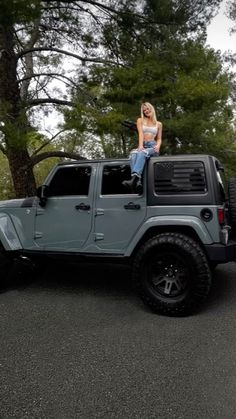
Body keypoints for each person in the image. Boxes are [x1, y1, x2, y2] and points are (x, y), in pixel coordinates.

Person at [122, 102, 162, 193]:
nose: (146, 111)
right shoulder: (140, 120)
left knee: (142, 153)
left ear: (151, 108)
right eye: (144, 110)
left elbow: (159, 139)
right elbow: (140, 134)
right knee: (133, 154)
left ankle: (134, 180)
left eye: (147, 109)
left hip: (153, 146)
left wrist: (158, 146)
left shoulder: (159, 124)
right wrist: (140, 146)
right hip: (144, 144)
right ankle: (137, 182)